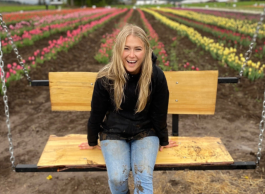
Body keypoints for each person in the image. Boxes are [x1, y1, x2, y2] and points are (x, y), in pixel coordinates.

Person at [79, 24, 177, 194]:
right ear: (118, 50)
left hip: (146, 132)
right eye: (126, 49)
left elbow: (159, 112)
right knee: (117, 177)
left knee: (143, 175)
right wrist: (92, 141)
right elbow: (96, 113)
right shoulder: (106, 78)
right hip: (113, 132)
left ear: (146, 51)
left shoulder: (156, 76)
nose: (132, 55)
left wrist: (164, 140)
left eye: (138, 49)